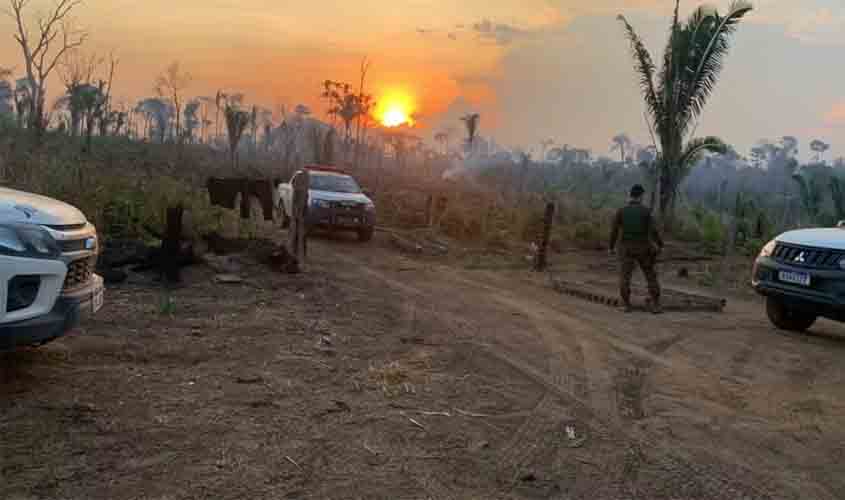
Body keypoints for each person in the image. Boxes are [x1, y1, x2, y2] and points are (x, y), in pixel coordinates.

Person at [609, 184, 664, 313]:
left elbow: (614, 231)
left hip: (627, 249)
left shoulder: (621, 211)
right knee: (650, 276)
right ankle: (656, 305)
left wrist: (611, 247)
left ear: (631, 195)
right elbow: (654, 231)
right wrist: (660, 245)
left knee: (625, 276)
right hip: (644, 249)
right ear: (641, 196)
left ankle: (626, 305)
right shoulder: (646, 211)